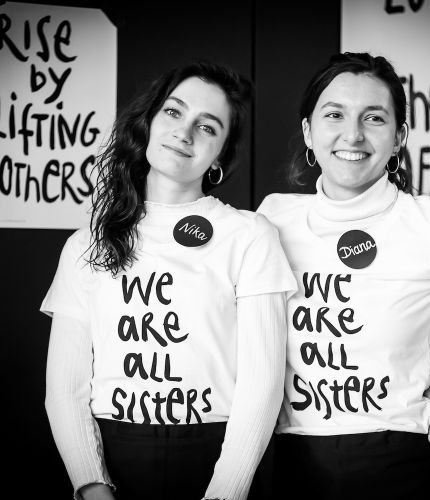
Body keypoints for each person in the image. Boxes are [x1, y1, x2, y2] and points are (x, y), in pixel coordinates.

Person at [42, 60, 297, 500]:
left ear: (221, 154)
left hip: (216, 456)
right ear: (150, 121)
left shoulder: (250, 235)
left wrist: (226, 492)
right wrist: (92, 485)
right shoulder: (86, 244)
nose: (185, 132)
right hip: (112, 455)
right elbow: (65, 388)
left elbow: (262, 385)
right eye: (174, 112)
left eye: (208, 127)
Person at [257, 51, 430, 499]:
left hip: (399, 466)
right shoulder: (272, 219)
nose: (353, 134)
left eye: (373, 118)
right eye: (335, 115)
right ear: (308, 131)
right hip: (291, 465)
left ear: (399, 136)